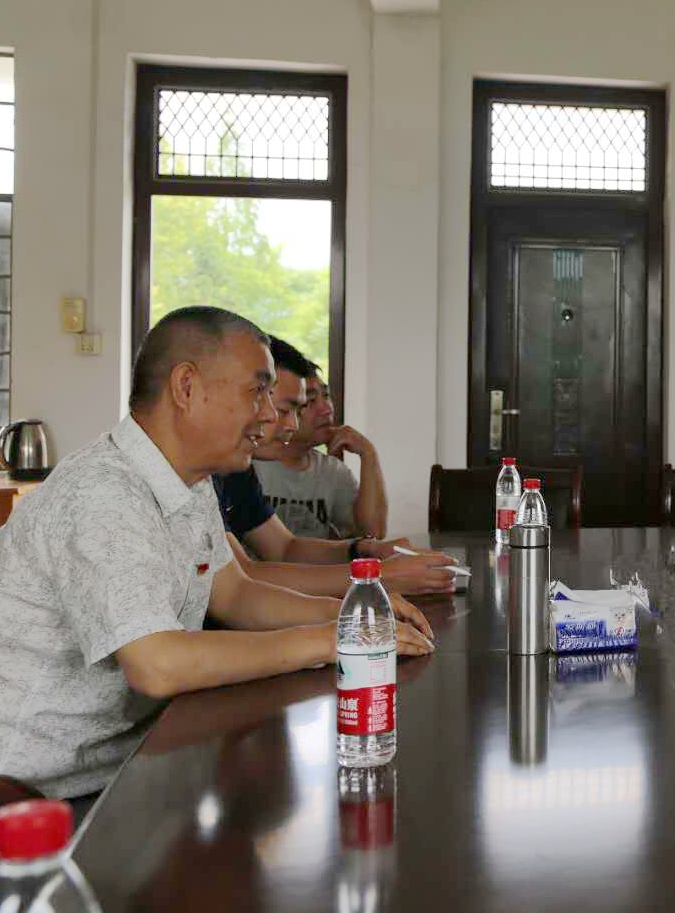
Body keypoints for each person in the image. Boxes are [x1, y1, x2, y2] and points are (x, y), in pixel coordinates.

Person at [0, 306, 435, 798]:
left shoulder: (188, 481)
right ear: (186, 387)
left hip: (132, 762)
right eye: (258, 391)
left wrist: (353, 617)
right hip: (37, 793)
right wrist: (329, 641)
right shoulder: (102, 493)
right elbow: (157, 664)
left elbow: (236, 596)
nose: (269, 414)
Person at [217, 346, 455, 598]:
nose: (292, 424)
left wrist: (365, 549)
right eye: (284, 410)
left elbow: (285, 548)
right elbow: (242, 580)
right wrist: (379, 575)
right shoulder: (212, 471)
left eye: (297, 410)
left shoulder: (236, 470)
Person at [253, 340, 388, 540]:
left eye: (327, 395)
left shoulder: (333, 471)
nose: (326, 409)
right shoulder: (246, 463)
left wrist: (368, 454)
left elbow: (372, 535)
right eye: (311, 401)